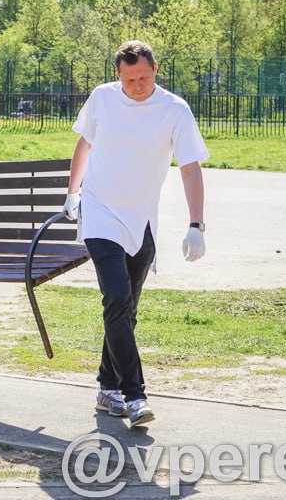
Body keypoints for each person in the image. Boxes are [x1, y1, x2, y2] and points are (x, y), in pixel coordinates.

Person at [64, 40, 208, 427]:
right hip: (99, 212)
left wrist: (196, 224)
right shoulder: (103, 98)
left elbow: (190, 167)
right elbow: (85, 142)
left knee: (126, 309)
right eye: (129, 80)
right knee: (116, 297)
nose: (137, 85)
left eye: (144, 77)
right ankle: (134, 395)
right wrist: (73, 193)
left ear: (155, 69)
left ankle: (107, 386)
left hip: (142, 219)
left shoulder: (174, 110)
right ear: (118, 75)